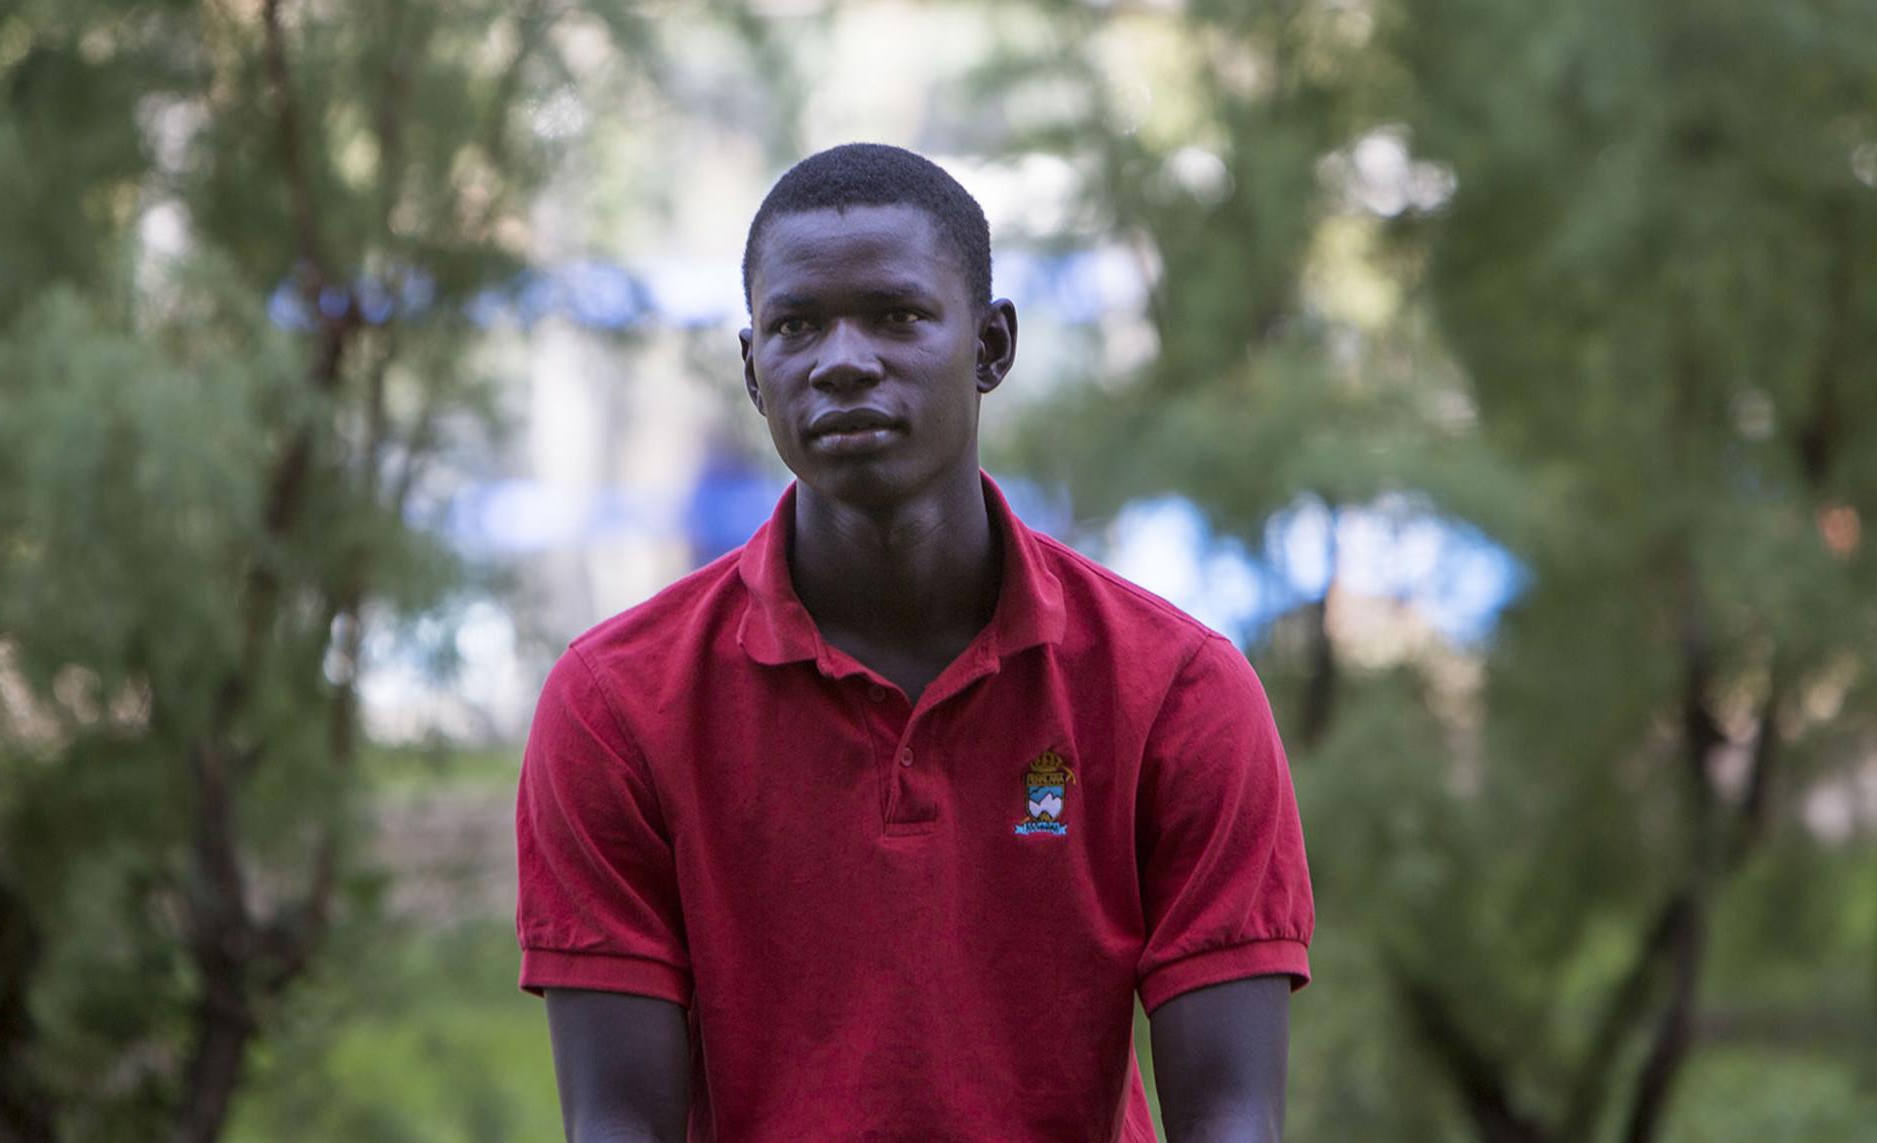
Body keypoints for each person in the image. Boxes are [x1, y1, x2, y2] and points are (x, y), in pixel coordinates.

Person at [516, 143, 1314, 1142]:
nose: (841, 360)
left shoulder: (1177, 691)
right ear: (754, 372)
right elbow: (614, 1125)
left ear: (991, 347)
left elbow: (1233, 1118)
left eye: (895, 316)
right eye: (795, 326)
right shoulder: (615, 705)